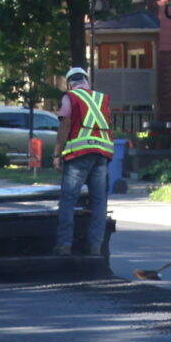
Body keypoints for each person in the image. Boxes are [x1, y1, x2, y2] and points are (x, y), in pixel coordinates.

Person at [53, 66, 115, 257]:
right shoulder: (101, 98)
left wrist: (57, 154)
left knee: (68, 201)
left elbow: (65, 125)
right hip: (101, 155)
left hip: (79, 155)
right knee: (99, 203)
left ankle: (64, 246)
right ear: (87, 82)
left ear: (70, 84)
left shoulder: (70, 97)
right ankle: (95, 247)